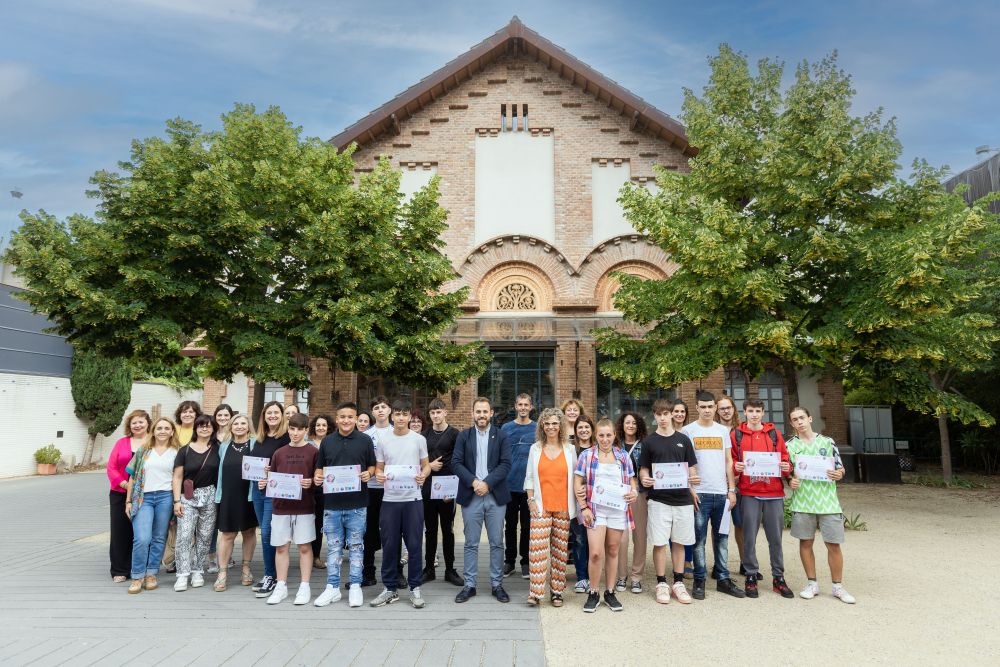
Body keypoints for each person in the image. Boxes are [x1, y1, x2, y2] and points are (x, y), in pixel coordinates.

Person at [786, 407, 855, 604]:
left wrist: (838, 474)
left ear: (809, 418)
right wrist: (790, 480)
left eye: (802, 418)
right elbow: (787, 472)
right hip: (803, 501)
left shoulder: (827, 441)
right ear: (791, 424)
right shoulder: (789, 445)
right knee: (805, 543)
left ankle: (838, 586)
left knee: (833, 544)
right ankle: (812, 583)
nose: (799, 422)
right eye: (795, 419)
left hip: (828, 502)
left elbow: (840, 468)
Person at [681, 391, 744, 600]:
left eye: (710, 406)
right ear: (697, 407)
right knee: (698, 540)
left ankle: (723, 578)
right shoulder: (688, 431)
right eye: (703, 406)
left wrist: (731, 489)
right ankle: (699, 579)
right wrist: (690, 490)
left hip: (721, 493)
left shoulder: (722, 431)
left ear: (715, 408)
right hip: (700, 494)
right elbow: (685, 464)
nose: (707, 410)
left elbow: (728, 461)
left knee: (722, 538)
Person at [313, 402, 376, 608]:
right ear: (337, 418)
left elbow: (373, 465)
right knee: (333, 547)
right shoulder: (327, 442)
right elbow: (319, 468)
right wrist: (317, 478)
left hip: (357, 504)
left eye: (350, 417)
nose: (346, 420)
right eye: (342, 417)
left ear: (356, 419)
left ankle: (356, 585)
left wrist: (370, 473)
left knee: (357, 546)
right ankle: (332, 587)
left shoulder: (366, 440)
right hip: (332, 505)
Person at [370, 399, 431, 609]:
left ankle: (415, 588)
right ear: (392, 416)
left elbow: (426, 466)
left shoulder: (418, 439)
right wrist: (379, 476)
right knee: (389, 545)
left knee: (414, 545)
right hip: (390, 500)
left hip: (413, 499)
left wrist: (423, 475)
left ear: (409, 417)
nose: (401, 418)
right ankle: (389, 588)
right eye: (397, 414)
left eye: (405, 414)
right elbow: (379, 468)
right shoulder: (384, 440)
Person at [638, 399, 700, 605]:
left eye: (666, 414)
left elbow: (691, 469)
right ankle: (662, 582)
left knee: (680, 541)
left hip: (682, 500)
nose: (663, 418)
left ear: (672, 415)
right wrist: (644, 478)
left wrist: (694, 481)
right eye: (659, 414)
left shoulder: (683, 439)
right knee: (659, 542)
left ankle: (679, 582)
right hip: (659, 500)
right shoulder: (649, 442)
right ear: (654, 417)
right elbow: (644, 469)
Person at [452, 397, 512, 604]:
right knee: (470, 543)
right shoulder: (464, 436)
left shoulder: (501, 436)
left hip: (495, 496)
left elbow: (505, 464)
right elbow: (456, 463)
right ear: (472, 413)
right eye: (478, 411)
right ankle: (470, 585)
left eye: (485, 412)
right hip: (471, 495)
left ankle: (497, 584)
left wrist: (487, 483)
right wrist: (474, 482)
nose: (482, 415)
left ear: (491, 413)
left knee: (497, 542)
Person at [575, 419, 638, 612]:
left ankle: (610, 592)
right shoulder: (587, 455)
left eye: (608, 435)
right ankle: (593, 592)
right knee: (595, 553)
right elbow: (577, 483)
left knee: (612, 550)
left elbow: (632, 481)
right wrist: (584, 507)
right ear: (596, 435)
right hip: (595, 511)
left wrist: (633, 493)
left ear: (614, 435)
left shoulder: (623, 456)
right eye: (601, 435)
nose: (605, 439)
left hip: (617, 511)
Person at [732, 398, 792, 599]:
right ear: (745, 412)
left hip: (773, 492)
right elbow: (731, 459)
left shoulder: (774, 434)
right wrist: (735, 467)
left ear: (763, 412)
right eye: (751, 411)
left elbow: (785, 458)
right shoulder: (737, 434)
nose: (754, 414)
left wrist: (786, 467)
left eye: (758, 411)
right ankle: (750, 575)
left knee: (775, 538)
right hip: (749, 492)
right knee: (749, 537)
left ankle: (778, 577)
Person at [261, 412, 318, 605]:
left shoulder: (313, 452)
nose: (295, 433)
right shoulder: (279, 452)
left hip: (304, 506)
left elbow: (319, 480)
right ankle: (281, 585)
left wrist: (311, 482)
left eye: (299, 429)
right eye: (292, 429)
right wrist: (265, 483)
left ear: (305, 430)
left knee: (304, 546)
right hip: (281, 506)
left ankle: (304, 586)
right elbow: (273, 479)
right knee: (281, 547)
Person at [522, 408, 577, 607]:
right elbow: (529, 477)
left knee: (560, 552)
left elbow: (576, 479)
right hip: (541, 506)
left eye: (555, 423)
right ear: (542, 426)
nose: (551, 427)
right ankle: (536, 593)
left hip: (563, 505)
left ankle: (557, 592)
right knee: (537, 550)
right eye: (547, 423)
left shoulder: (570, 449)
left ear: (560, 425)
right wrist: (530, 501)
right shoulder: (535, 449)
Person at [125, 417, 181, 594]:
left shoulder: (177, 452)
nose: (162, 431)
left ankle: (151, 574)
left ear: (172, 431)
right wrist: (128, 501)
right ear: (153, 431)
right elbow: (132, 477)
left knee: (158, 538)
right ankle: (137, 575)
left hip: (166, 497)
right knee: (142, 538)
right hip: (144, 498)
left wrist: (177, 501)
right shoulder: (144, 451)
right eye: (159, 428)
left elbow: (178, 478)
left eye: (166, 428)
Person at [171, 414, 220, 592]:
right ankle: (183, 574)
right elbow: (177, 477)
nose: (204, 429)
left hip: (210, 496)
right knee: (184, 535)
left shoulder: (218, 449)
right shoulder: (184, 450)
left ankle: (198, 570)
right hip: (187, 497)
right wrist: (176, 501)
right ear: (195, 428)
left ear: (213, 428)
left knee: (205, 536)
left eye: (208, 426)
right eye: (201, 426)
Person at [250, 401, 291, 599]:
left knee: (267, 533)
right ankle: (271, 574)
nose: (272, 416)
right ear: (263, 416)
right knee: (264, 532)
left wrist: (271, 474)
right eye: (269, 413)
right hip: (258, 490)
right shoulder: (259, 438)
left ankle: (271, 576)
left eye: (276, 412)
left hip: (274, 492)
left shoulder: (285, 439)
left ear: (282, 415)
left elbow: (289, 467)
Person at [213, 414, 258, 592]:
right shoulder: (224, 446)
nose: (239, 426)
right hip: (228, 496)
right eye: (236, 423)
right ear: (231, 427)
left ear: (248, 427)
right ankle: (222, 572)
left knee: (249, 532)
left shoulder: (255, 444)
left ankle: (246, 568)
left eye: (243, 423)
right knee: (227, 534)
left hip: (248, 496)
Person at [421, 398, 463, 586]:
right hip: (428, 488)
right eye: (432, 413)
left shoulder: (455, 434)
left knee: (448, 530)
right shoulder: (424, 435)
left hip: (447, 489)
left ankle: (450, 569)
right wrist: (429, 466)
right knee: (430, 530)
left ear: (445, 412)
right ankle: (429, 568)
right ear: (429, 415)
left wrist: (453, 490)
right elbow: (420, 461)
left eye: (438, 412)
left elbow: (459, 461)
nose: (436, 415)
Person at [107, 409, 150, 582]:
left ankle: (139, 568)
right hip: (120, 493)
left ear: (148, 423)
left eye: (141, 421)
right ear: (129, 426)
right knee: (120, 531)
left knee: (142, 533)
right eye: (134, 422)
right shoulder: (121, 443)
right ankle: (119, 570)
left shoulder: (153, 443)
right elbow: (111, 467)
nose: (138, 425)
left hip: (146, 494)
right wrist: (125, 484)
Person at [716, 394, 754, 579]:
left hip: (740, 485)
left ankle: (745, 563)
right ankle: (719, 564)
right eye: (722, 408)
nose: (725, 410)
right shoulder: (712, 430)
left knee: (741, 525)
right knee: (719, 527)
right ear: (717, 410)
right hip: (717, 485)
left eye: (728, 407)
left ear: (734, 408)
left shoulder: (742, 430)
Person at [163, 400, 201, 573]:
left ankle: (191, 560)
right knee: (174, 524)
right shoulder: (173, 430)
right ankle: (174, 558)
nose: (188, 414)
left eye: (192, 412)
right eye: (184, 411)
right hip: (172, 480)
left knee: (192, 525)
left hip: (193, 483)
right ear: (179, 414)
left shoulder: (199, 430)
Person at [502, 393, 536, 580]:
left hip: (529, 487)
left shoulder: (537, 428)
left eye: (526, 405)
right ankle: (509, 561)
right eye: (520, 404)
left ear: (531, 407)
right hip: (509, 485)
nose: (523, 407)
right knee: (510, 526)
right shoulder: (506, 428)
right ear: (515, 406)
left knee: (527, 526)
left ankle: (525, 562)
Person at [615, 411, 648, 594]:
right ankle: (621, 576)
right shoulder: (614, 444)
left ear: (639, 426)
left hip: (639, 494)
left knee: (640, 537)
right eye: (627, 422)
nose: (631, 426)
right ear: (622, 424)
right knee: (621, 538)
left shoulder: (645, 445)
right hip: (618, 495)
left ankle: (636, 577)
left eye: (634, 423)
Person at [362, 396, 392, 587]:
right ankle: (369, 572)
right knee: (369, 532)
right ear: (372, 412)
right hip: (371, 488)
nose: (380, 410)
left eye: (383, 407)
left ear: (389, 410)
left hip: (392, 489)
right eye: (376, 407)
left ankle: (395, 572)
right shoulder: (366, 435)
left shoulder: (396, 432)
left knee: (392, 532)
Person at [206, 403, 235, 573]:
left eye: (226, 415)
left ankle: (226, 556)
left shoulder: (235, 434)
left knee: (226, 523)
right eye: (220, 415)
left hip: (228, 484)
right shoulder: (210, 434)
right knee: (211, 522)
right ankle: (211, 558)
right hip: (211, 482)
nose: (223, 418)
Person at [571, 415, 595, 594]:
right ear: (575, 430)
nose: (584, 430)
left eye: (587, 427)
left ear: (592, 429)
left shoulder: (598, 449)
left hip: (596, 501)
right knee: (579, 539)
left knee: (594, 539)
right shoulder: (570, 449)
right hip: (576, 501)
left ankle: (592, 575)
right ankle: (581, 577)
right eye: (580, 427)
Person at [308, 414, 333, 570]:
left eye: (324, 425)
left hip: (327, 489)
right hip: (309, 487)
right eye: (318, 425)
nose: (321, 428)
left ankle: (316, 556)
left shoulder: (332, 443)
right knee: (308, 522)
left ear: (328, 427)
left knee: (319, 524)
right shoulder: (308, 444)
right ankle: (307, 554)